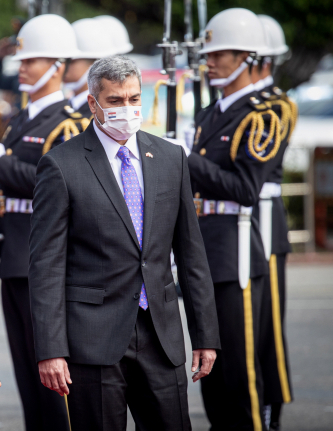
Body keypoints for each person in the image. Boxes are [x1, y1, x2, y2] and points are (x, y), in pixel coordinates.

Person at [28, 54, 220, 431]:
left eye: (134, 99)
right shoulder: (61, 165)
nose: (127, 108)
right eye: (115, 101)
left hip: (160, 335)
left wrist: (205, 336)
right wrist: (51, 350)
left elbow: (191, 254)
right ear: (93, 104)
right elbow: (46, 265)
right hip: (93, 339)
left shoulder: (170, 158)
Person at [0, 14, 85, 431]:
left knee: (57, 382)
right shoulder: (20, 119)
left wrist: (1, 166)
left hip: (48, 256)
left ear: (56, 65)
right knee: (27, 376)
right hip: (14, 253)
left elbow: (58, 185)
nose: (21, 66)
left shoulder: (69, 122)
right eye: (21, 59)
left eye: (31, 60)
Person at [182, 8, 282, 430]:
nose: (211, 59)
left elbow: (244, 189)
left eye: (221, 53)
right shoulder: (209, 114)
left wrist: (185, 159)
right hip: (202, 246)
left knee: (240, 376)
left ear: (246, 56)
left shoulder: (261, 114)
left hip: (235, 251)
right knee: (210, 374)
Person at [253, 14, 295, 431]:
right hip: (233, 228)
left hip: (264, 224)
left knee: (268, 333)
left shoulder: (274, 105)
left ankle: (271, 411)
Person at [64, 17, 130, 118]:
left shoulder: (100, 113)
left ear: (95, 64)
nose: (63, 66)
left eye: (70, 61)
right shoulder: (70, 105)